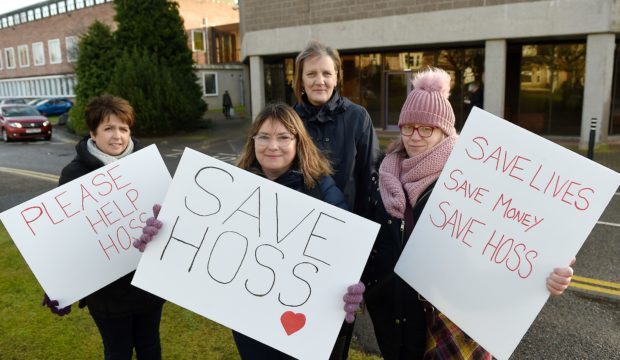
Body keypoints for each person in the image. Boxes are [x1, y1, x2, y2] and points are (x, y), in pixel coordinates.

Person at [361, 68, 575, 359]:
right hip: (396, 321)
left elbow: (511, 240)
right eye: (408, 127)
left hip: (454, 320)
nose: (415, 136)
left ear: (445, 131)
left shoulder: (472, 179)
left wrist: (548, 268)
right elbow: (372, 247)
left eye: (426, 128)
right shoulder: (383, 176)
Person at [133, 103, 366, 359]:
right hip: (250, 322)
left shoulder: (323, 188)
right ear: (253, 140)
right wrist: (162, 238)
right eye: (264, 137)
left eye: (283, 137)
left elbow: (344, 253)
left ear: (299, 141)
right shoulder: (231, 190)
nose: (272, 146)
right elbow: (204, 248)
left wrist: (350, 288)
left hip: (305, 326)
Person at [42, 94, 165, 360]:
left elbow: (169, 217)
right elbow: (62, 236)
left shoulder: (148, 166)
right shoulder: (74, 175)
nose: (117, 136)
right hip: (106, 292)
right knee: (117, 351)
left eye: (124, 128)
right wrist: (55, 282)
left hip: (148, 281)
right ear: (92, 133)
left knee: (150, 347)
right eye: (108, 128)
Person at [292, 40, 380, 358]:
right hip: (295, 244)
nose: (320, 81)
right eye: (311, 74)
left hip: (344, 244)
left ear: (337, 76)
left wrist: (366, 246)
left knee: (336, 332)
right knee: (295, 328)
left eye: (326, 73)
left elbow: (370, 180)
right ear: (299, 79)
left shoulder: (358, 118)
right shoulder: (288, 120)